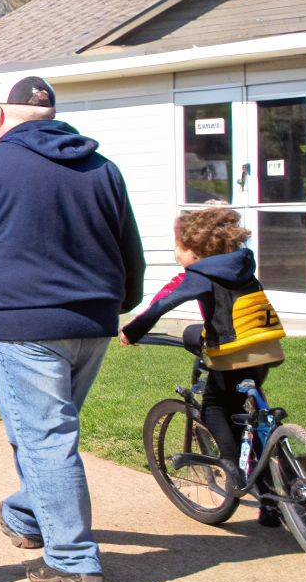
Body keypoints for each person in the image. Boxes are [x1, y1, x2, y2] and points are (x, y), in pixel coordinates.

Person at [0, 75, 144, 582]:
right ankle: (26, 517)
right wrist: (123, 301)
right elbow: (128, 243)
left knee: (45, 437)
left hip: (25, 326)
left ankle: (73, 558)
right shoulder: (102, 169)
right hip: (92, 325)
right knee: (46, 433)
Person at [119, 205, 286, 524]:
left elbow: (166, 303)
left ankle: (232, 470)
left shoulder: (201, 274)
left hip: (234, 353)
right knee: (243, 414)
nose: (175, 253)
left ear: (195, 250)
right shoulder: (241, 264)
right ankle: (271, 501)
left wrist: (132, 330)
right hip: (266, 347)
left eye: (178, 247)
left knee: (213, 407)